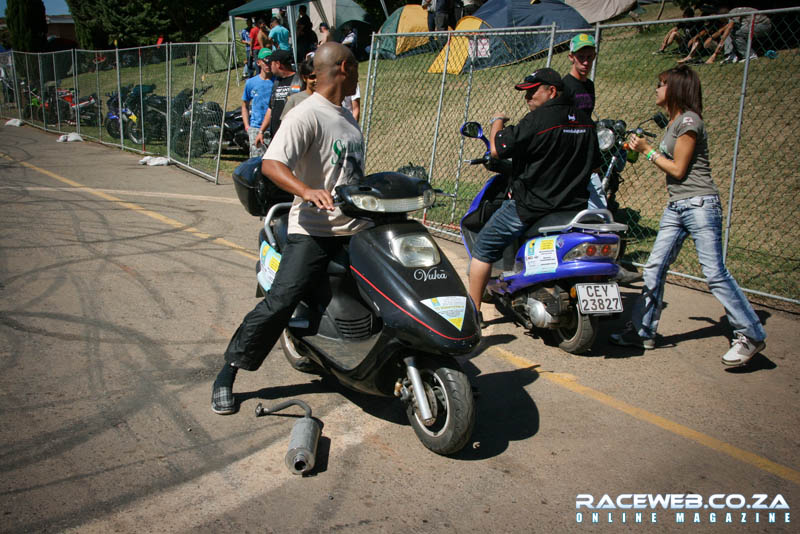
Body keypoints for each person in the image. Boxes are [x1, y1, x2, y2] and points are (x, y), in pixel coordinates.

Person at [211, 42, 365, 415]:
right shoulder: (307, 114)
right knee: (280, 301)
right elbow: (272, 164)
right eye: (356, 66)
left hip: (354, 227)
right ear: (344, 67)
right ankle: (228, 373)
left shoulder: (346, 115)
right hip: (313, 230)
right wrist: (306, 190)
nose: (360, 73)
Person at [609, 65, 766, 366]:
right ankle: (642, 331)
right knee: (654, 267)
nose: (656, 88)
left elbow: (679, 170)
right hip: (677, 205)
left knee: (714, 273)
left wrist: (647, 150)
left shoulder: (690, 121)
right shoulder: (674, 122)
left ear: (676, 88)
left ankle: (751, 335)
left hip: (699, 204)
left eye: (661, 84)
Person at [467, 68, 600, 325]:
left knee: (483, 247)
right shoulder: (585, 121)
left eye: (532, 91)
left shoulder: (538, 120)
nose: (527, 98)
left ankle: (473, 313)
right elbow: (594, 166)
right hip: (573, 209)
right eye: (525, 93)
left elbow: (496, 149)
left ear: (551, 91)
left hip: (531, 208)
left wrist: (497, 121)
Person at [562, 33, 642, 284]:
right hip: (569, 161)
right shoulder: (565, 87)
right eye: (581, 57)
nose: (586, 62)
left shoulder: (589, 86)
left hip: (587, 160)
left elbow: (587, 124)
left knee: (600, 212)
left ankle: (606, 267)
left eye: (590, 57)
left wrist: (595, 161)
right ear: (571, 57)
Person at [255, 50, 301, 159]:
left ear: (278, 64)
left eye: (271, 63)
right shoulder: (277, 82)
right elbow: (271, 109)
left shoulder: (299, 81)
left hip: (293, 136)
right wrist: (261, 131)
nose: (269, 66)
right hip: (276, 137)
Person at [705, 7, 773, 64]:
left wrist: (718, 49)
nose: (721, 22)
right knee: (732, 31)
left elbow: (729, 28)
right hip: (760, 24)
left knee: (736, 33)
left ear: (724, 16)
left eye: (721, 19)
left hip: (762, 25)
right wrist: (711, 38)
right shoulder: (735, 12)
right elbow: (724, 29)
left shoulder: (732, 14)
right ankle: (731, 55)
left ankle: (750, 55)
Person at [242, 48, 274, 159]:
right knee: (257, 161)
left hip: (273, 128)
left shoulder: (277, 82)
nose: (268, 64)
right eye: (265, 62)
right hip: (256, 128)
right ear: (259, 62)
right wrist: (247, 126)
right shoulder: (251, 83)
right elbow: (245, 104)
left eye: (270, 61)